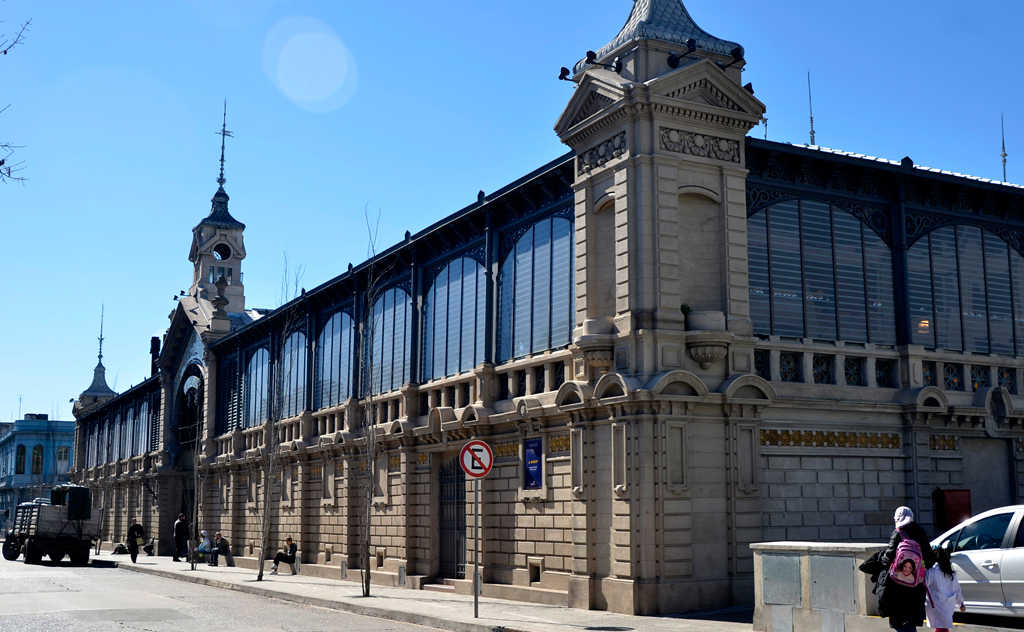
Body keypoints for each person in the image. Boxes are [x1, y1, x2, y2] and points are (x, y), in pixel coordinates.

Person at [878, 506, 936, 632]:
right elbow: (931, 560)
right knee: (910, 621)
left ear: (897, 519)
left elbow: (887, 559)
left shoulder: (898, 532)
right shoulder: (920, 532)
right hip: (916, 585)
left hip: (897, 586)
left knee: (900, 623)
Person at [925, 546, 966, 632]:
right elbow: (957, 589)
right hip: (948, 604)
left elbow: (924, 584)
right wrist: (960, 603)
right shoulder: (950, 573)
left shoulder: (932, 571)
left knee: (941, 627)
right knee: (942, 626)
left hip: (936, 604)